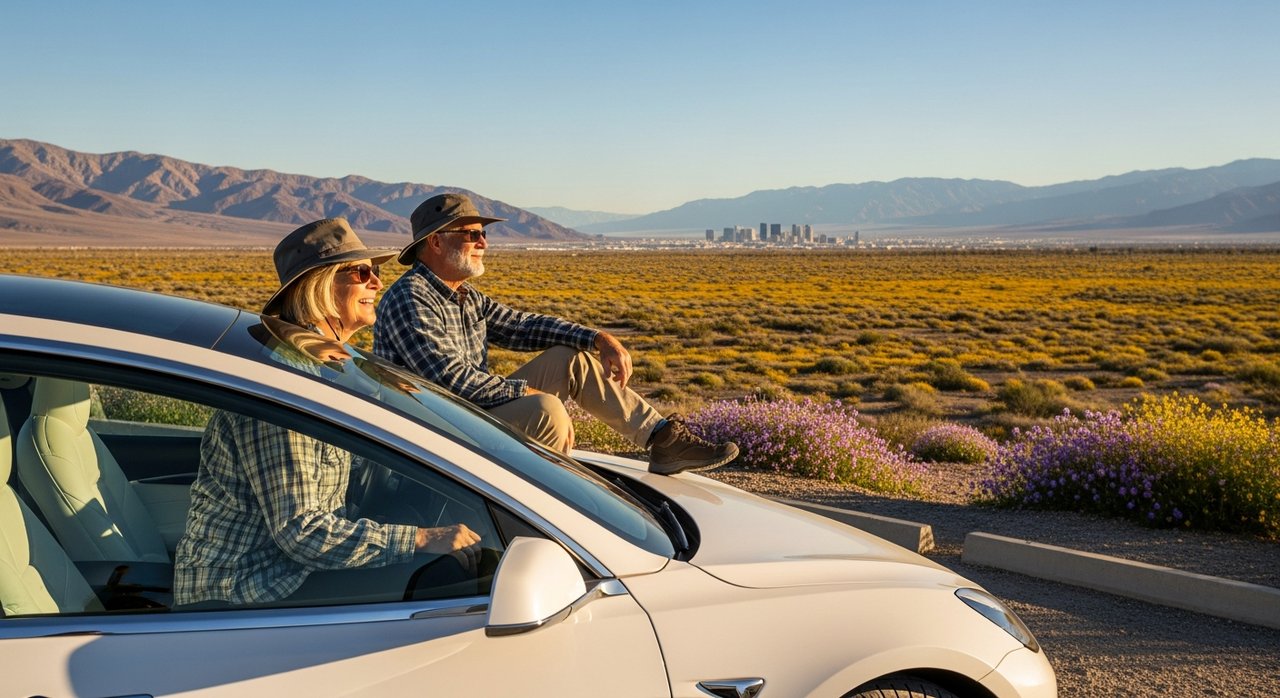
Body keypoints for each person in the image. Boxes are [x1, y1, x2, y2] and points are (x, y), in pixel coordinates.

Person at [174, 218, 481, 607]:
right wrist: (421, 539)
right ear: (320, 286)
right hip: (243, 591)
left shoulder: (328, 365)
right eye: (362, 272)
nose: (377, 282)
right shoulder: (286, 386)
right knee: (442, 583)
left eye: (377, 271)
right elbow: (301, 532)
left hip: (284, 571)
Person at [374, 193, 738, 474]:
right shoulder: (411, 297)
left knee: (570, 359)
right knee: (546, 410)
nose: (484, 242)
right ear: (436, 243)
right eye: (472, 234)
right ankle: (548, 507)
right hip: (436, 427)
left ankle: (662, 439)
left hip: (466, 412)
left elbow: (522, 326)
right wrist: (524, 390)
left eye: (483, 233)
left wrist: (597, 338)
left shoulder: (463, 295)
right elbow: (450, 382)